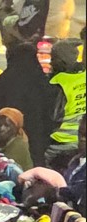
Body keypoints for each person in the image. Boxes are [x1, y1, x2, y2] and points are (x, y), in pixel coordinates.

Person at [0, 41, 55, 166]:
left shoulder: (7, 78)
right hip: (37, 136)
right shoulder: (41, 80)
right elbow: (51, 111)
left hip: (9, 135)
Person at [47, 39, 86, 168]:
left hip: (62, 141)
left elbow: (54, 117)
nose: (51, 63)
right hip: (81, 137)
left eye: (54, 58)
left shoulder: (58, 83)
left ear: (62, 61)